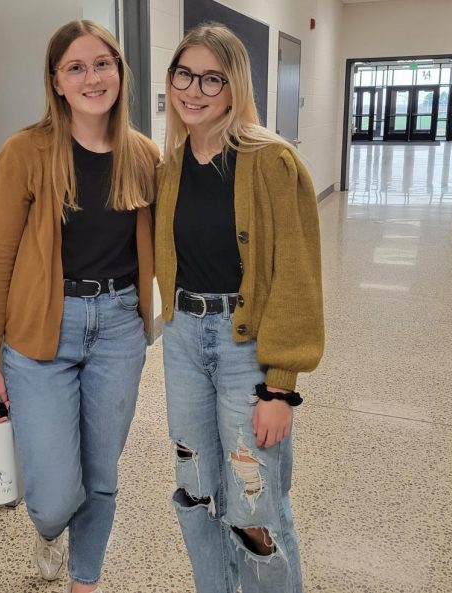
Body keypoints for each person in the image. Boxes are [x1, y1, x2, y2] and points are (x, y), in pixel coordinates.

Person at [0, 20, 158, 593]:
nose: (92, 77)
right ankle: (48, 531)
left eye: (103, 63)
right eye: (75, 67)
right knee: (53, 496)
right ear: (55, 82)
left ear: (120, 71)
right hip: (38, 338)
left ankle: (85, 581)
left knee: (101, 476)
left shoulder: (143, 155)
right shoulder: (26, 153)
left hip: (119, 328)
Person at [155, 23, 324, 593]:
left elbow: (297, 278)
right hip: (182, 341)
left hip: (243, 349)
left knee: (254, 507)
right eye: (185, 74)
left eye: (212, 78)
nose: (194, 89)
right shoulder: (170, 165)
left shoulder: (271, 161)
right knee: (197, 489)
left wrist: (280, 387)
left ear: (234, 87)